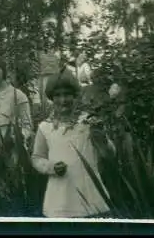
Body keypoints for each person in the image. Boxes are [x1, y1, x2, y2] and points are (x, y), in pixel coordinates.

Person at [31, 69, 116, 218]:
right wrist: (51, 167)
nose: (63, 100)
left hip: (90, 196)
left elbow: (109, 155)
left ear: (74, 96)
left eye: (67, 94)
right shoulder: (45, 127)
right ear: (51, 97)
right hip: (60, 198)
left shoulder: (88, 121)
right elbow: (37, 157)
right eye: (57, 95)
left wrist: (102, 139)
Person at [0, 55, 33, 158]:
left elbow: (27, 125)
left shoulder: (17, 95)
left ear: (3, 71)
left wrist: (15, 138)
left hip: (12, 151)